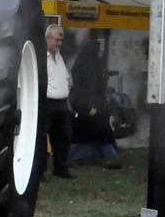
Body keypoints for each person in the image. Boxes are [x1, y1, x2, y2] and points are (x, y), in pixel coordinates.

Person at [70, 33, 121, 170]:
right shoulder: (92, 64)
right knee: (102, 129)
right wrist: (93, 104)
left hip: (80, 104)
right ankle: (109, 156)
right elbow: (92, 84)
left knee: (81, 131)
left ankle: (79, 156)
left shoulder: (80, 62)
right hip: (91, 105)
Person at [44, 24, 73, 178]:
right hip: (47, 104)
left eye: (61, 40)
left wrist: (68, 106)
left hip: (62, 104)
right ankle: (41, 171)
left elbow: (65, 82)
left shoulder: (62, 57)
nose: (59, 43)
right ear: (48, 38)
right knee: (42, 139)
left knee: (64, 138)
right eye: (57, 40)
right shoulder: (41, 57)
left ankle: (61, 169)